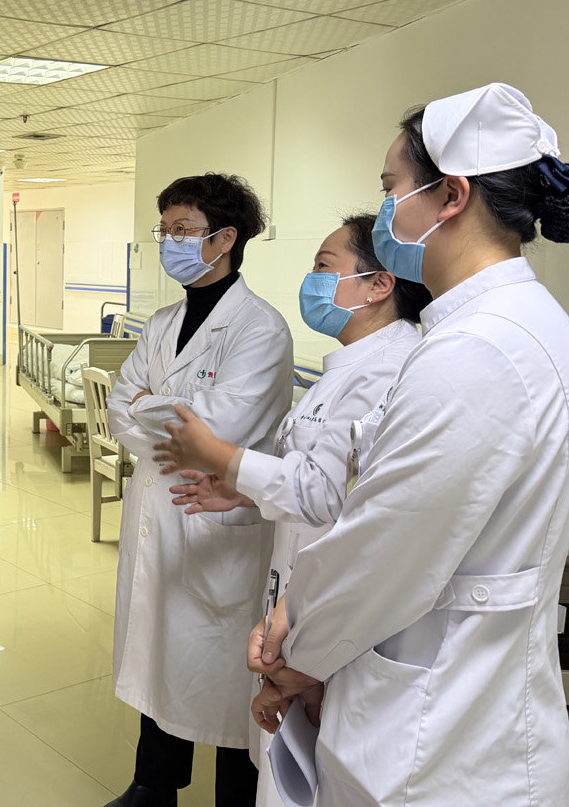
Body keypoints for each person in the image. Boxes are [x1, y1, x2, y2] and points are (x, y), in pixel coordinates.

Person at [251, 83, 569, 806]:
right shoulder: (514, 325)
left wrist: (298, 650)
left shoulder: (479, 348)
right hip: (459, 714)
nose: (385, 210)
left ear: (450, 195)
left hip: (435, 743)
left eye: (391, 189)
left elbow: (386, 549)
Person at [155, 213, 430, 807]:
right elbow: (317, 478)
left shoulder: (390, 372)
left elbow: (326, 496)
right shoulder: (344, 369)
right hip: (297, 604)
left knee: (317, 777)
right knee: (287, 768)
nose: (311, 281)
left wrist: (221, 456)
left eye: (324, 267)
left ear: (378, 285)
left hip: (340, 618)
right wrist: (243, 491)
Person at [103, 173, 294, 807]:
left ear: (225, 239)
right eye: (164, 231)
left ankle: (234, 798)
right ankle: (152, 785)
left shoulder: (260, 330)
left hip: (219, 529)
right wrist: (166, 411)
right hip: (160, 513)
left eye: (182, 230)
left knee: (223, 672)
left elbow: (221, 427)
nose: (168, 242)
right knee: (159, 653)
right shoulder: (162, 322)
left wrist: (152, 405)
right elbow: (119, 410)